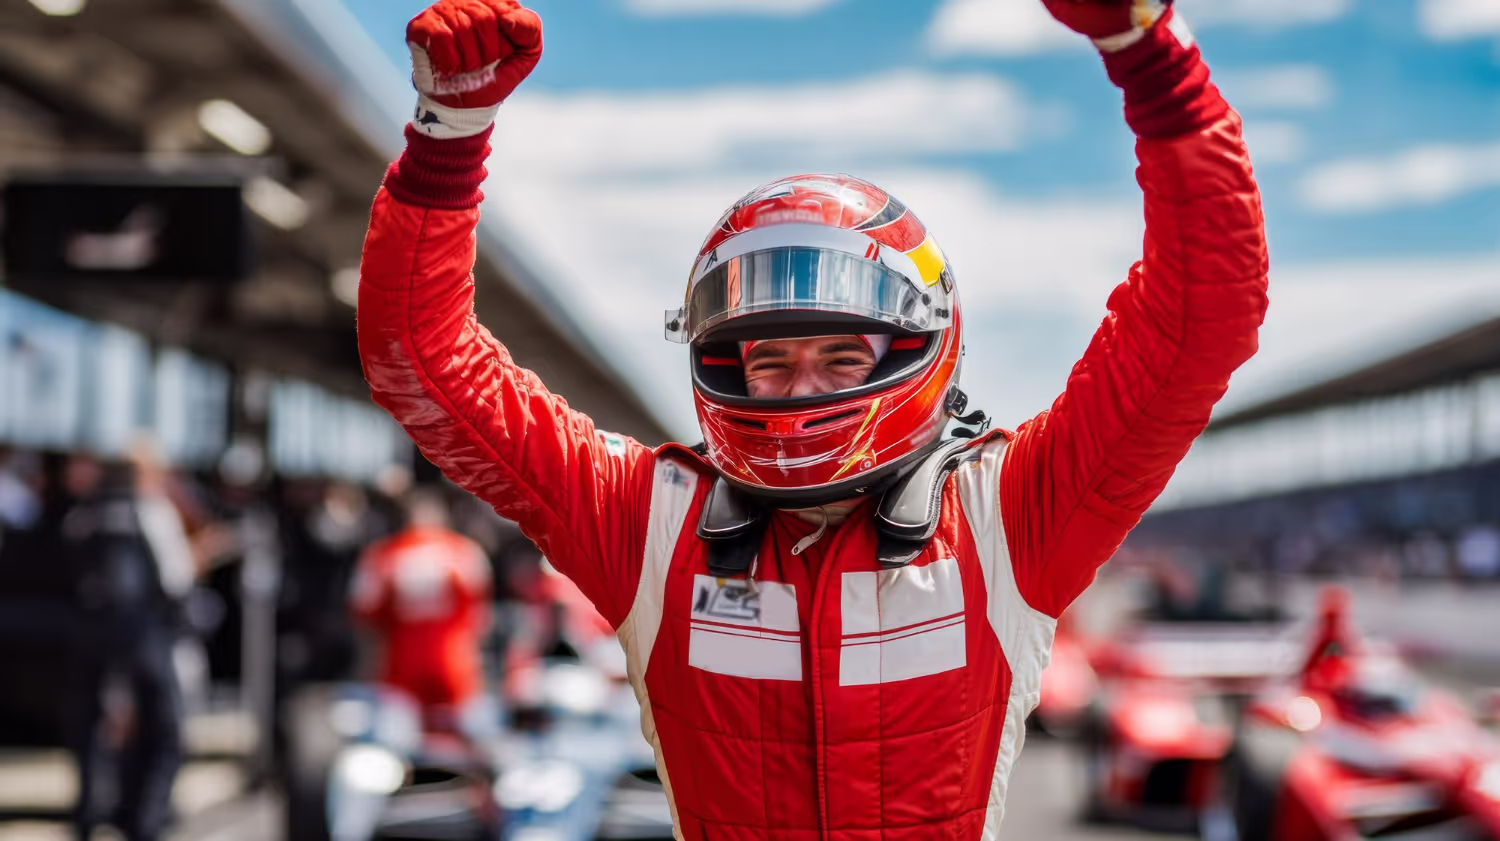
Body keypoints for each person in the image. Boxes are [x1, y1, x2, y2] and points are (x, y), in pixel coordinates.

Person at [356, 0, 1268, 835]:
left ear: (920, 347)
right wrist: (450, 136)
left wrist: (1153, 55)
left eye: (839, 357)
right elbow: (423, 363)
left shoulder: (1010, 515)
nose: (799, 393)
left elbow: (1201, 319)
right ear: (719, 362)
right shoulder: (646, 520)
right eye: (770, 360)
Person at [62, 445, 195, 841]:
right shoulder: (152, 512)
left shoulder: (84, 513)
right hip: (144, 640)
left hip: (88, 640)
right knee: (165, 731)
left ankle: (89, 814)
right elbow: (178, 579)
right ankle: (146, 820)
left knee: (90, 728)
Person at [349, 489, 493, 733]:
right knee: (462, 742)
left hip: (401, 661)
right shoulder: (465, 552)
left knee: (398, 741)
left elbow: (363, 614)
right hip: (454, 662)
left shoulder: (382, 555)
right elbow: (479, 617)